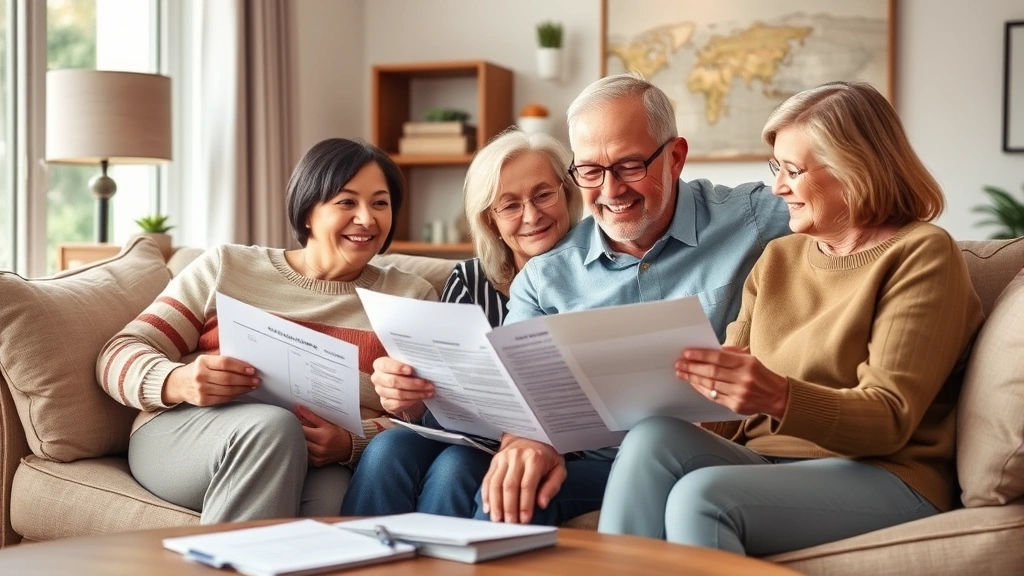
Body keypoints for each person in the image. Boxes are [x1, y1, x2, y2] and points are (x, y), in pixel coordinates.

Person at [365, 73, 793, 527]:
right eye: (590, 171)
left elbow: (853, 202)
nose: (611, 191)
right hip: (598, 463)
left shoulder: (752, 217)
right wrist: (526, 441)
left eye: (630, 166)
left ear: (675, 157)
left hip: (717, 454)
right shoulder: (545, 277)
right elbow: (522, 400)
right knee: (504, 499)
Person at [597, 81, 985, 556]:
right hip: (770, 462)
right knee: (653, 436)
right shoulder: (779, 258)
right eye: (776, 167)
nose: (778, 186)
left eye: (794, 170)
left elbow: (890, 418)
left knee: (703, 497)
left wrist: (779, 396)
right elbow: (731, 401)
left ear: (854, 168)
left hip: (887, 472)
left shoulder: (921, 253)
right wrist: (693, 395)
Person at [96, 138, 437, 523]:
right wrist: (179, 380)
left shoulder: (409, 296)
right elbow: (118, 352)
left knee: (333, 503)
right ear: (308, 210)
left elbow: (429, 418)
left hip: (314, 460)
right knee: (273, 427)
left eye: (380, 203)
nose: (367, 218)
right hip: (185, 435)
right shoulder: (227, 266)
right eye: (347, 202)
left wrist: (351, 444)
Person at [341, 129, 585, 518]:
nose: (531, 215)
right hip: (466, 434)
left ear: (567, 194)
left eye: (543, 195)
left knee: (455, 468)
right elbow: (436, 395)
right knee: (388, 449)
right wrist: (407, 392)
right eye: (509, 205)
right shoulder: (470, 280)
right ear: (490, 218)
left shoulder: (595, 277)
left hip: (548, 446)